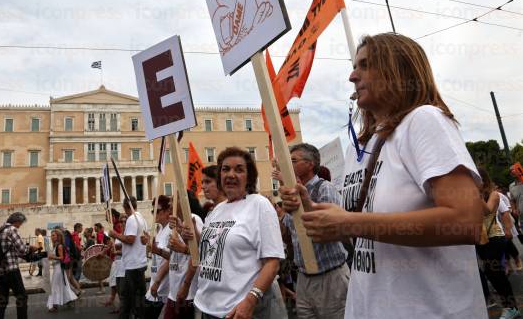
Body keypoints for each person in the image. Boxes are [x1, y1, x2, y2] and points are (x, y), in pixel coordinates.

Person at [280, 33, 487, 318]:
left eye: (365, 65)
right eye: (355, 66)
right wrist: (313, 210)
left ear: (397, 70)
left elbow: (467, 221)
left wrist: (353, 223)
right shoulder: (362, 147)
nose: (353, 76)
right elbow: (362, 222)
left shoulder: (424, 120)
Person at [194, 147, 285, 318]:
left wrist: (250, 301)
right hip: (207, 308)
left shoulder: (259, 205)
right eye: (225, 169)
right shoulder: (217, 210)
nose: (231, 174)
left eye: (239, 169)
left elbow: (272, 262)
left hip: (239, 311)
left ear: (249, 177)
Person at [278, 143, 349, 318]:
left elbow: (328, 230)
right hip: (303, 277)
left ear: (310, 164)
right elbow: (287, 235)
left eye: (293, 160)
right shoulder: (291, 193)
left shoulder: (325, 188)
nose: (288, 164)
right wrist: (284, 211)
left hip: (330, 277)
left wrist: (304, 203)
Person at [476, 167, 519, 315]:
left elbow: (487, 210)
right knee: (492, 273)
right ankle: (510, 307)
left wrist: (477, 195)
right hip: (480, 240)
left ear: (482, 180)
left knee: (496, 273)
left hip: (495, 237)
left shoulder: (494, 194)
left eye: (476, 179)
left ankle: (511, 308)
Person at [108, 196, 149, 319]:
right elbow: (135, 241)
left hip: (132, 265)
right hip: (139, 263)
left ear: (125, 206)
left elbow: (130, 240)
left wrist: (115, 234)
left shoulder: (132, 219)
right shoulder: (141, 218)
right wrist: (120, 243)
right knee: (137, 298)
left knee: (127, 299)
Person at [165, 191, 204, 319]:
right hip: (175, 290)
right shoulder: (176, 223)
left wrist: (185, 286)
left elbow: (199, 254)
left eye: (173, 200)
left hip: (188, 293)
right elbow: (173, 256)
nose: (170, 204)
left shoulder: (194, 219)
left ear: (182, 201)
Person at [0, 212, 38, 319]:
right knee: (22, 297)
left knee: (2, 301)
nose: (20, 226)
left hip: (0, 271)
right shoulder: (11, 230)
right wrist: (31, 248)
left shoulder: (0, 230)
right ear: (17, 221)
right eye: (21, 223)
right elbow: (22, 249)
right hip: (11, 270)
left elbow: (10, 249)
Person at [144, 195, 172, 319]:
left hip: (163, 288)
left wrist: (157, 282)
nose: (154, 213)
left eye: (157, 210)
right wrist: (149, 243)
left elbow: (170, 259)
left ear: (167, 211)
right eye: (152, 210)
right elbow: (156, 253)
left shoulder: (171, 231)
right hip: (154, 285)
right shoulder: (161, 229)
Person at [46, 229, 77, 312]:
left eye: (53, 235)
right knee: (62, 285)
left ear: (58, 236)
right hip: (56, 268)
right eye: (51, 235)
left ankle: (54, 305)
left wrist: (52, 257)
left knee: (55, 286)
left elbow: (62, 258)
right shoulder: (55, 246)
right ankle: (70, 299)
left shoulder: (59, 246)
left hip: (59, 269)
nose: (52, 237)